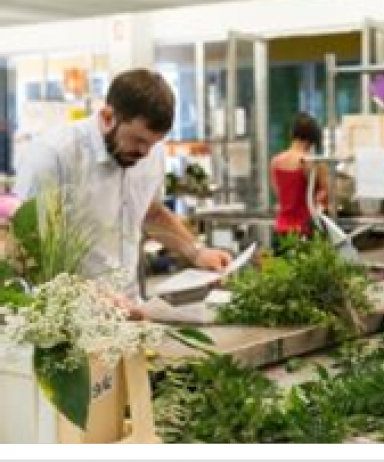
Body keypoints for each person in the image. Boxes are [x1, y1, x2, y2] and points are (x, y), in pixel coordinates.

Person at [14, 69, 231, 314]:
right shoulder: (53, 155)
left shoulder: (151, 154)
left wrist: (197, 252)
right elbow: (23, 249)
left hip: (128, 310)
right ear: (107, 117)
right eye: (138, 140)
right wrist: (89, 295)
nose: (145, 152)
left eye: (153, 143)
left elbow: (152, 214)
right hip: (64, 317)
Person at [270, 112, 328, 242]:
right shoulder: (311, 162)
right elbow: (325, 194)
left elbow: (279, 194)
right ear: (313, 138)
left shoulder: (275, 161)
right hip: (305, 229)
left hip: (281, 229)